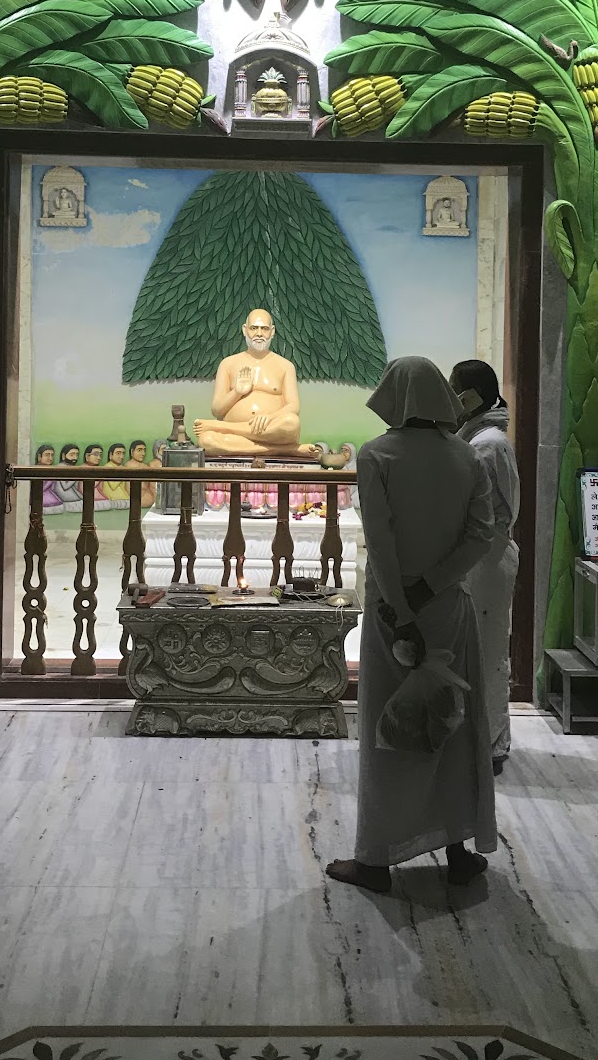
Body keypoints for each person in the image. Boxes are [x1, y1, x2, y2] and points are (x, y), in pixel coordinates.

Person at [326, 356, 499, 895]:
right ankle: (457, 849)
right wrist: (433, 586)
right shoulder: (466, 458)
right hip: (447, 607)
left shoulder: (377, 456)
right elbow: (480, 535)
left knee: (388, 732)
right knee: (451, 725)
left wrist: (401, 608)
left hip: (390, 613)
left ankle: (376, 858)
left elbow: (379, 542)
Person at [450, 359, 520, 774]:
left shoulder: (488, 444)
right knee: (474, 650)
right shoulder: (479, 438)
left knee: (489, 653)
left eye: (455, 388)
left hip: (487, 556)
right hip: (480, 555)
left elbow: (490, 511)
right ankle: (480, 738)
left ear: (471, 396)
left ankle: (491, 744)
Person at [194, 308, 319, 459]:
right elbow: (217, 410)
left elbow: (293, 407)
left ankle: (220, 427)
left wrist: (270, 417)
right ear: (244, 330)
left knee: (291, 422)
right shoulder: (228, 364)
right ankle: (285, 450)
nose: (259, 333)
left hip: (272, 431)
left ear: (272, 332)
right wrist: (237, 392)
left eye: (264, 329)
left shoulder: (285, 366)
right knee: (206, 440)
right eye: (254, 328)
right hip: (240, 438)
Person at [55, 443, 83, 512]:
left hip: (71, 493)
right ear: (63, 456)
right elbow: (65, 486)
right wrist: (77, 476)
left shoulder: (73, 468)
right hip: (64, 494)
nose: (75, 458)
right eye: (72, 455)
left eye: (77, 454)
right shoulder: (60, 467)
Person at [34, 444, 61, 512]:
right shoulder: (35, 470)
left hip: (50, 495)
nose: (50, 458)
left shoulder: (53, 471)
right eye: (47, 455)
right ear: (39, 457)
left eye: (52, 455)